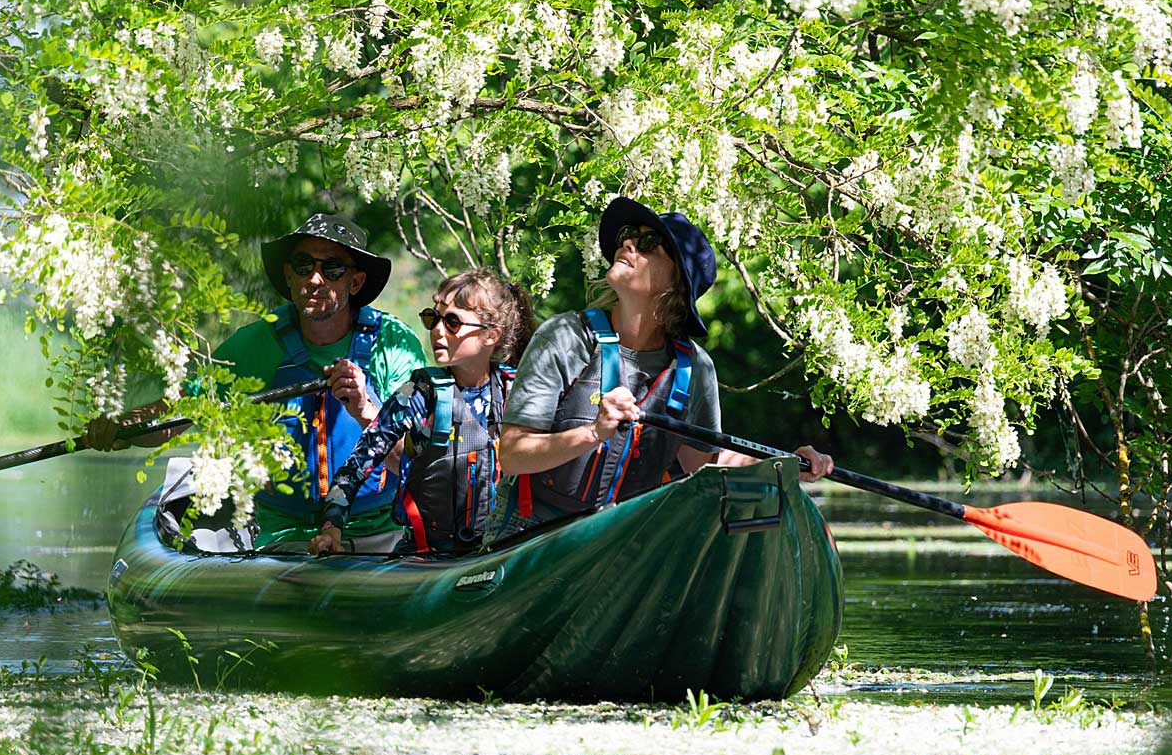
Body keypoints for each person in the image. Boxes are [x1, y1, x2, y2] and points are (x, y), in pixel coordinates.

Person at [490, 196, 833, 539]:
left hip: (620, 543)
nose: (628, 243)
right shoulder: (565, 337)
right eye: (627, 234)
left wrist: (785, 467)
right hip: (530, 537)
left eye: (649, 243)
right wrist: (593, 433)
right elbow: (514, 455)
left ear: (676, 282)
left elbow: (705, 467)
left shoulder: (695, 368)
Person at [86, 214, 427, 549]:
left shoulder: (393, 344)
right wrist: (124, 428)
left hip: (379, 531)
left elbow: (418, 462)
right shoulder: (256, 343)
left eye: (333, 268)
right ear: (289, 275)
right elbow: (181, 411)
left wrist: (366, 410)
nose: (315, 279)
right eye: (304, 265)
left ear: (355, 282)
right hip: (282, 536)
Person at [307, 268, 536, 557]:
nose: (437, 330)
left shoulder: (516, 390)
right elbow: (356, 465)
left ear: (491, 335)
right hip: (426, 559)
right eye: (433, 318)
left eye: (452, 322)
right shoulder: (420, 393)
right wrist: (331, 527)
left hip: (502, 554)